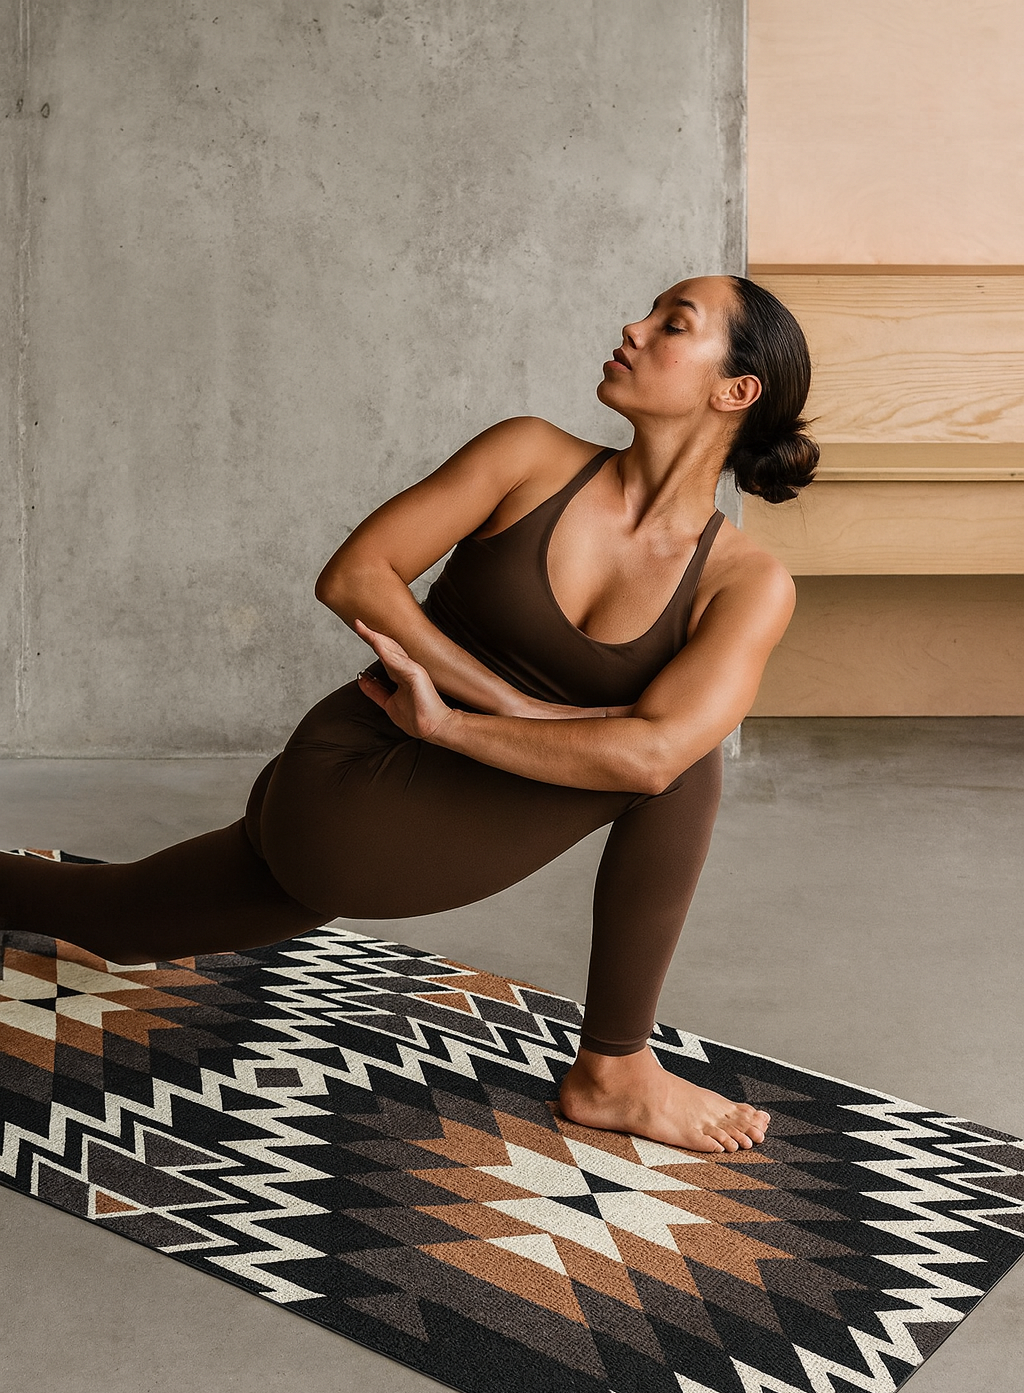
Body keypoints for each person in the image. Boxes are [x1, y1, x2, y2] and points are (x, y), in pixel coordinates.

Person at [0, 274, 818, 1155]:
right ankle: (614, 1069)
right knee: (686, 756)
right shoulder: (529, 456)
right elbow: (354, 577)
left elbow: (653, 752)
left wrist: (459, 724)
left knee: (116, 920)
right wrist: (503, 704)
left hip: (415, 805)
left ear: (734, 392)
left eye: (673, 325)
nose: (633, 325)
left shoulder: (744, 582)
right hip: (356, 786)